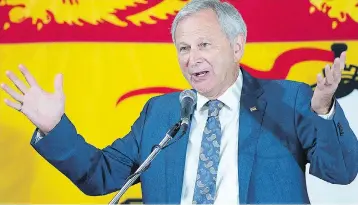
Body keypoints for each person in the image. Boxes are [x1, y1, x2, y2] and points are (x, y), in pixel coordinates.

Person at [1, 0, 357, 204]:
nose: (191, 58)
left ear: (237, 46)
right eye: (183, 48)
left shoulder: (288, 98)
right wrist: (53, 127)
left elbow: (341, 173)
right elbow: (101, 175)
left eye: (204, 45)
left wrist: (324, 110)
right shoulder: (162, 112)